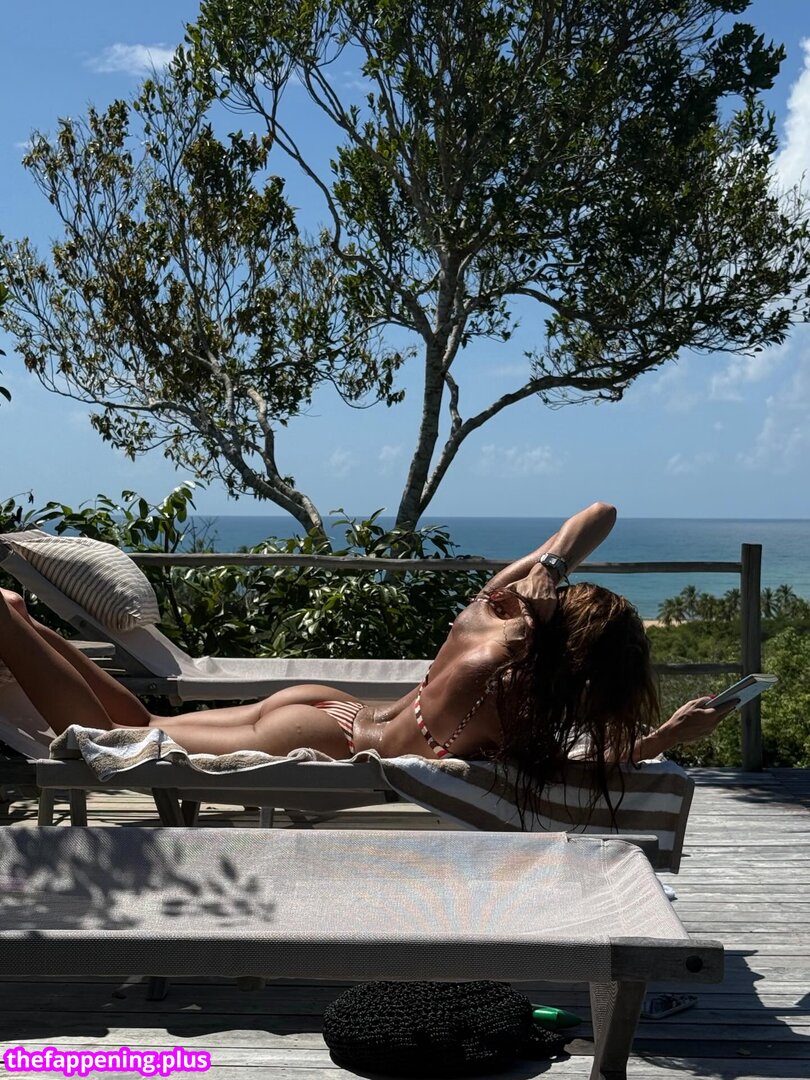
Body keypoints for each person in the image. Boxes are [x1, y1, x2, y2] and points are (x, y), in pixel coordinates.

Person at [0, 503, 735, 805]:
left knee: (137, 727)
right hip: (330, 737)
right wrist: (664, 740)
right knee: (131, 734)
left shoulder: (490, 616)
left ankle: (14, 619)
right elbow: (575, 771)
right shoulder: (523, 700)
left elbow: (597, 514)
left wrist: (552, 564)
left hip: (327, 715)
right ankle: (9, 623)